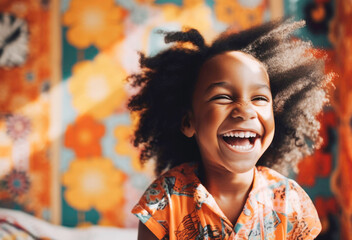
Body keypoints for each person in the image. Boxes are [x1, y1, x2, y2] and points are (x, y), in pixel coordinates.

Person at [128, 18, 330, 240]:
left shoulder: (292, 202)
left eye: (260, 98)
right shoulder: (162, 203)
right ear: (188, 122)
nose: (245, 111)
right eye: (223, 97)